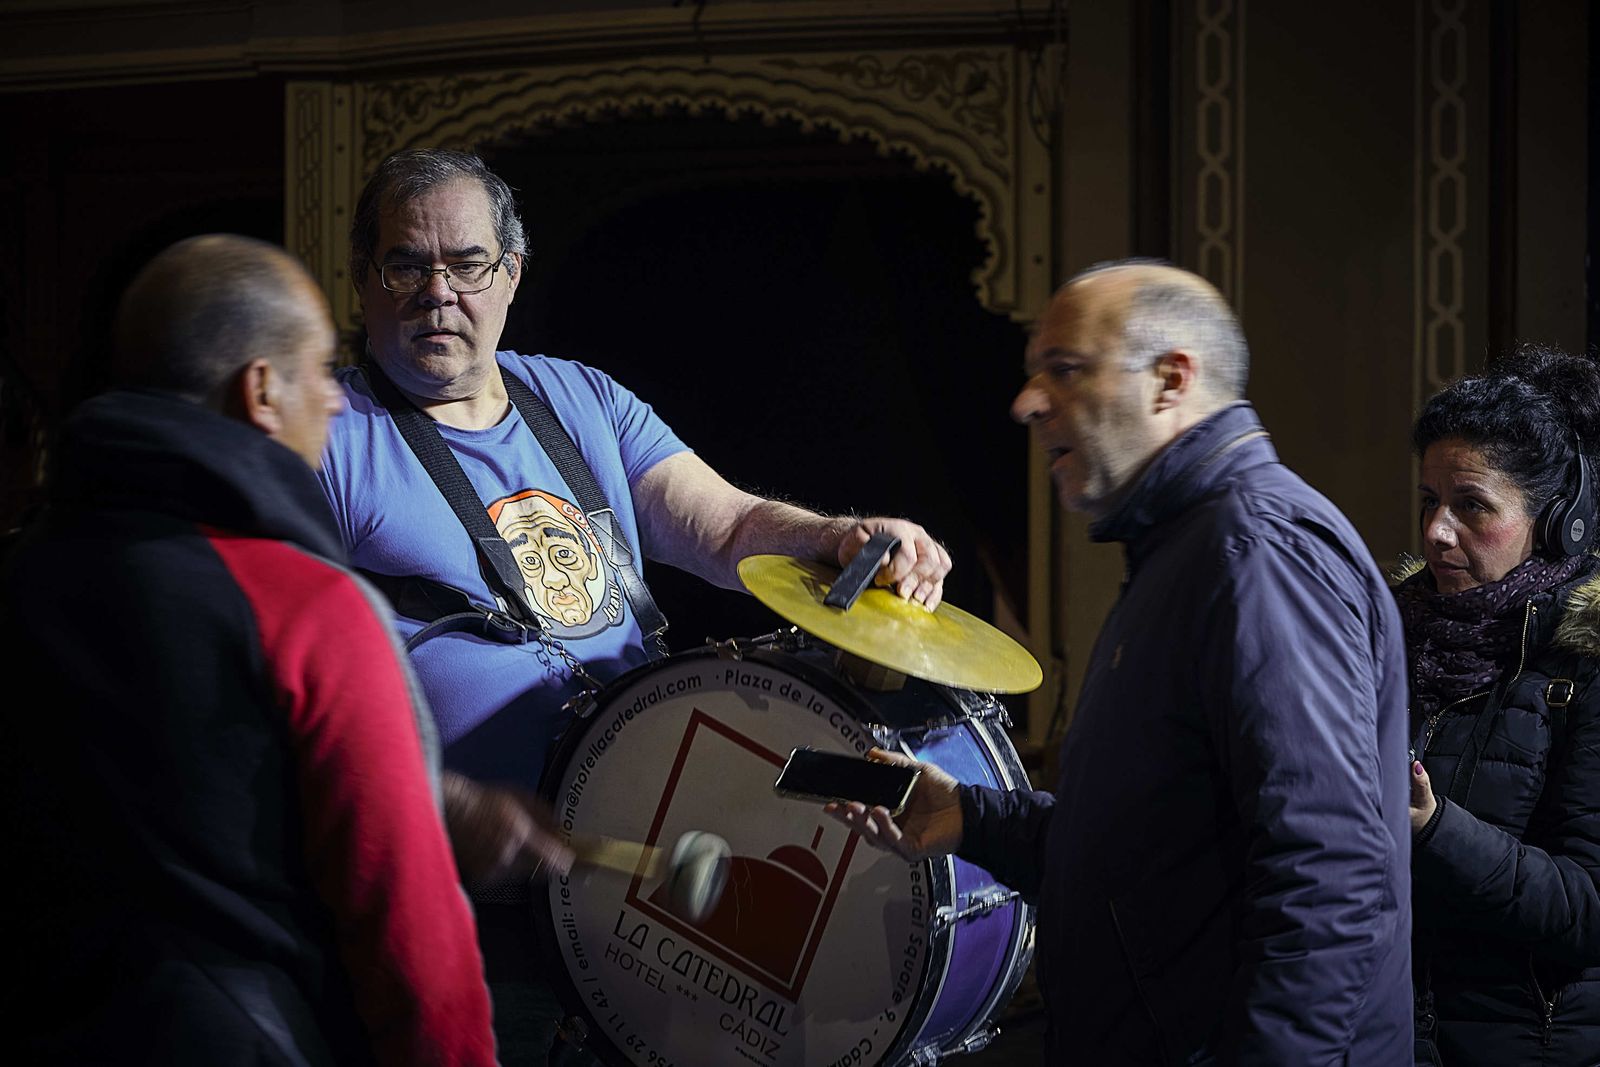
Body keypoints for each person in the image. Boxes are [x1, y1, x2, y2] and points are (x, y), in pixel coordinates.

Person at [316, 147, 953, 1059]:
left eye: (466, 265)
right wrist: (435, 801)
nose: (436, 291)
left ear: (511, 273)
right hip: (464, 906)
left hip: (630, 894)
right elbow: (281, 692)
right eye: (406, 265)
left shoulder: (579, 398)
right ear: (364, 279)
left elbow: (728, 529)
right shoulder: (331, 439)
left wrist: (835, 535)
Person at [832, 260, 1413, 1063]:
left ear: (1172, 378)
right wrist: (973, 817)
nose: (1027, 401)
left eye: (1065, 369)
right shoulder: (1188, 547)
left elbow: (1331, 878)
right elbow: (1157, 855)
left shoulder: (1255, 551)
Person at [2, 235, 499, 1065]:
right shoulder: (312, 609)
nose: (336, 401)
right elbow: (411, 933)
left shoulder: (22, 573)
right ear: (261, 390)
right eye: (317, 370)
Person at [1397, 345, 1600, 1065]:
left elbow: (1589, 908)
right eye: (1430, 500)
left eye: (1471, 505)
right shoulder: (1386, 637)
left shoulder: (1586, 663)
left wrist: (1433, 828)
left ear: (1556, 523)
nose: (1436, 532)